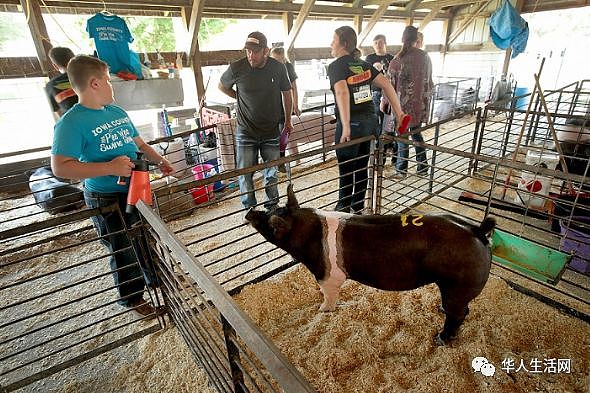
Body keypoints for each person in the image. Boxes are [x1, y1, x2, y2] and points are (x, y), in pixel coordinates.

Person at [51, 55, 174, 316]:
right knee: (122, 248)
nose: (112, 86)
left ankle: (156, 279)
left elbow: (139, 144)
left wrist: (160, 161)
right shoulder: (71, 123)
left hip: (135, 188)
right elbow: (61, 167)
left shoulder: (117, 112)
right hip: (105, 196)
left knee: (145, 238)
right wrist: (110, 167)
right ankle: (132, 299)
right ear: (94, 84)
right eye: (108, 81)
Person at [328, 26, 406, 213]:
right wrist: (399, 113)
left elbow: (341, 91)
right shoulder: (361, 64)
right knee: (362, 167)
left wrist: (345, 126)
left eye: (334, 40)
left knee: (346, 170)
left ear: (344, 44)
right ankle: (358, 207)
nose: (331, 43)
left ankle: (343, 211)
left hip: (351, 123)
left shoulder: (336, 66)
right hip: (370, 122)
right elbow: (386, 84)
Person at [218, 32, 293, 212]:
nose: (251, 55)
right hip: (245, 131)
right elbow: (222, 86)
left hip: (271, 130)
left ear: (266, 51)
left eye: (256, 51)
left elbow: (287, 93)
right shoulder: (237, 68)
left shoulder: (278, 68)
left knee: (271, 173)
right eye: (248, 51)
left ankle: (272, 207)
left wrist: (288, 120)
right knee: (245, 173)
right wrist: (238, 97)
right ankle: (250, 210)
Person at [384, 25, 433, 177]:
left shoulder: (397, 60)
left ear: (402, 39)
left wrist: (385, 102)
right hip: (418, 105)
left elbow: (389, 85)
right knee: (417, 135)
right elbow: (429, 81)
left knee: (402, 136)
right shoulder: (424, 57)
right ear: (416, 39)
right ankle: (423, 168)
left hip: (401, 108)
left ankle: (401, 170)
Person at [269, 46, 300, 173]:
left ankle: (281, 159)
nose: (277, 62)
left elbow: (294, 87)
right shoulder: (268, 68)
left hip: (285, 107)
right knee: (273, 136)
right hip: (272, 107)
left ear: (284, 58)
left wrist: (296, 105)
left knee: (285, 134)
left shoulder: (288, 67)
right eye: (274, 59)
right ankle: (274, 161)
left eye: (279, 59)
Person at [365, 35, 393, 133]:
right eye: (375, 43)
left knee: (388, 118)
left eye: (380, 42)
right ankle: (378, 141)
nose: (378, 45)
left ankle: (387, 143)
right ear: (373, 45)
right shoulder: (369, 58)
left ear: (385, 43)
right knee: (376, 117)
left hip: (388, 93)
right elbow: (367, 75)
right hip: (375, 91)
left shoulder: (392, 59)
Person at [45, 47, 78, 118]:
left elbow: (58, 112)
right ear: (75, 59)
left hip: (73, 124)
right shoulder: (88, 75)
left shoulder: (51, 86)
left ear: (55, 66)